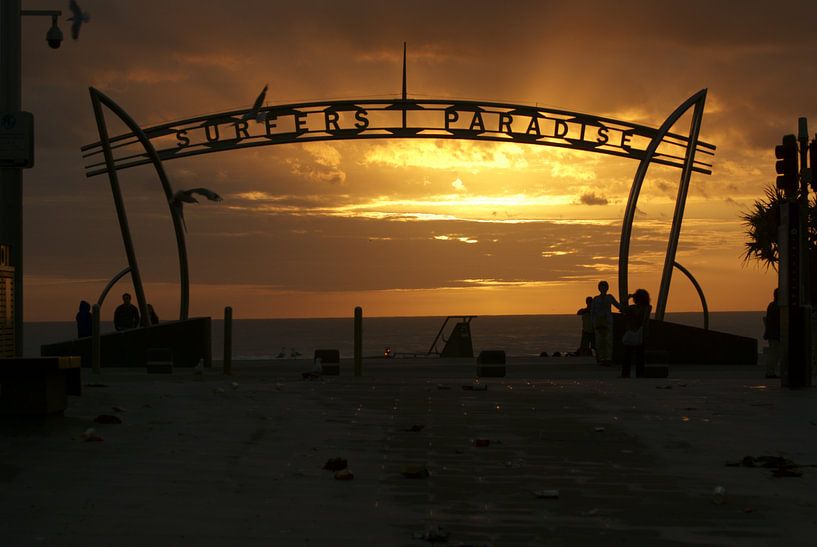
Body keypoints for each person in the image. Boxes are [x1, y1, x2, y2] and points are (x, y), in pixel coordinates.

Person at [621, 289, 651, 378]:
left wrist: (628, 298)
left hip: (631, 332)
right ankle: (640, 374)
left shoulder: (631, 308)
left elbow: (622, 309)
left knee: (627, 356)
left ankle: (625, 374)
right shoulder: (647, 308)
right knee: (640, 356)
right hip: (641, 333)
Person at [590, 281, 621, 366]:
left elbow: (618, 306)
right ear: (599, 288)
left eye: (604, 287)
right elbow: (592, 311)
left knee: (608, 340)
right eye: (601, 287)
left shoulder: (609, 297)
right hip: (598, 322)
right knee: (599, 341)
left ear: (607, 288)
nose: (603, 288)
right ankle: (601, 358)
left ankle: (608, 358)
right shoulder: (596, 299)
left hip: (608, 322)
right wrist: (593, 322)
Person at [763, 288, 780, 379]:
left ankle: (770, 371)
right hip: (775, 334)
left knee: (773, 353)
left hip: (772, 334)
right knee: (774, 354)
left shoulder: (771, 305)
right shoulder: (777, 307)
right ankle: (770, 372)